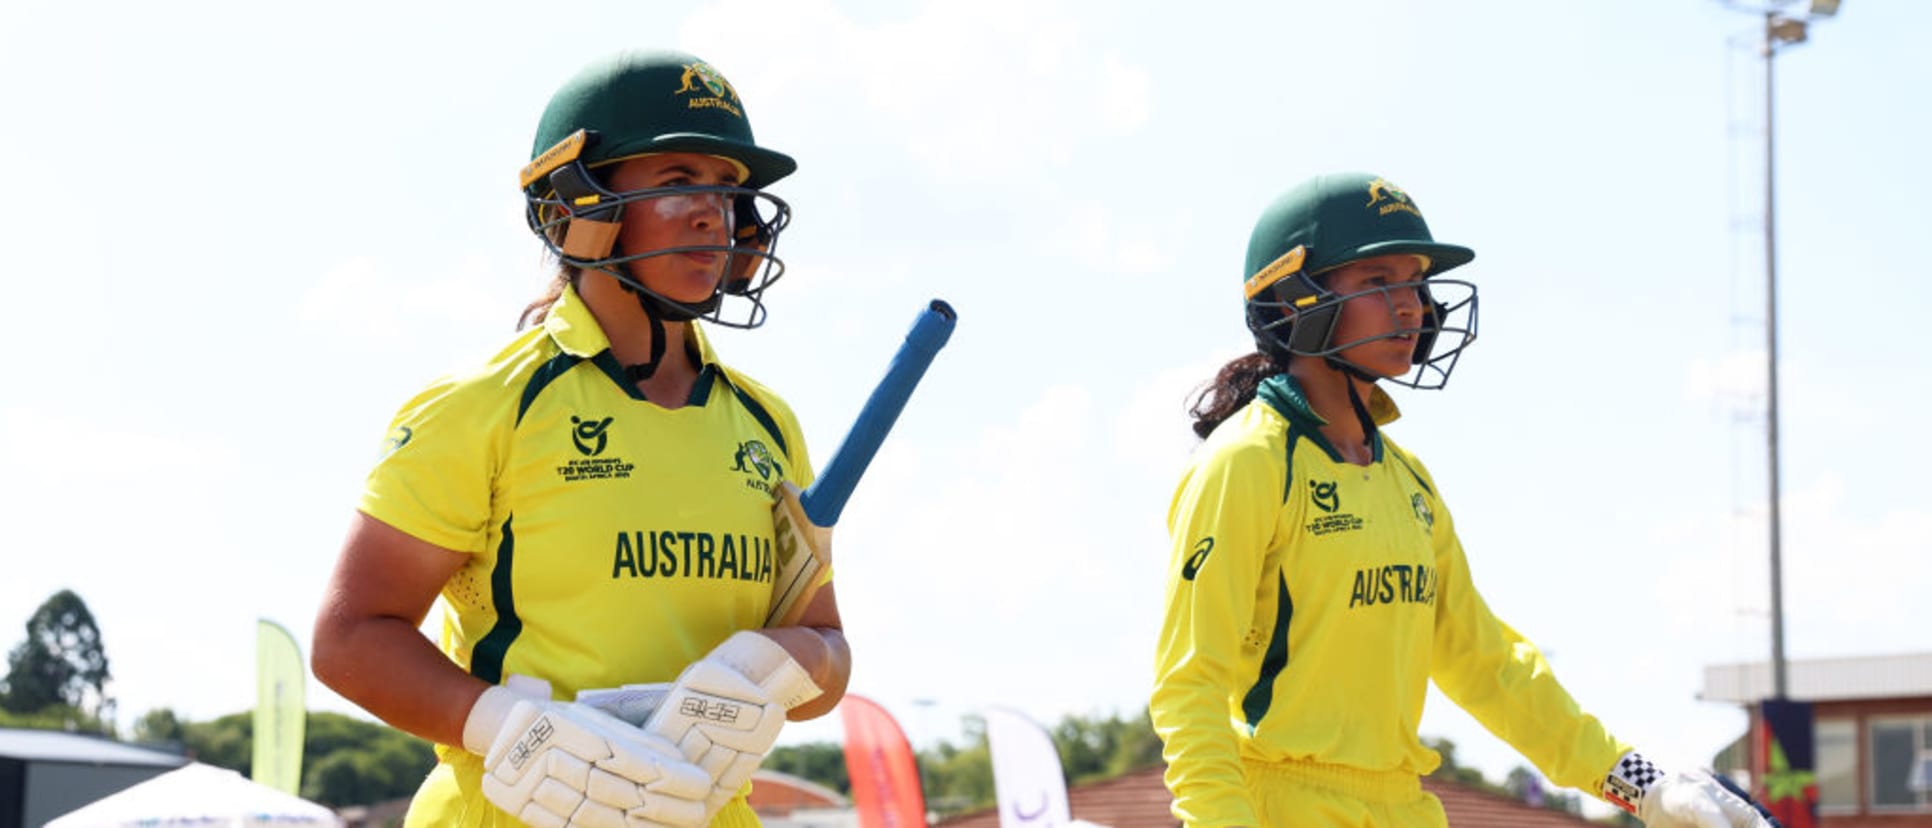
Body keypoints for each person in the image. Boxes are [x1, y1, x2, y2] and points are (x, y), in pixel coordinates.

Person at [312, 49, 850, 828]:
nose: (715, 212)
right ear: (577, 204)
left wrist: (785, 666)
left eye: (730, 189)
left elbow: (828, 651)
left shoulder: (768, 425)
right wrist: (507, 730)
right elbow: (349, 637)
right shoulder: (484, 407)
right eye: (678, 183)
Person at [1149, 172, 1777, 827]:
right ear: (1293, 299)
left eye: (1416, 281)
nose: (1412, 305)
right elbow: (1188, 689)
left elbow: (1489, 666)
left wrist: (1644, 786)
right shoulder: (1246, 463)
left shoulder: (1408, 480)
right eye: (1378, 282)